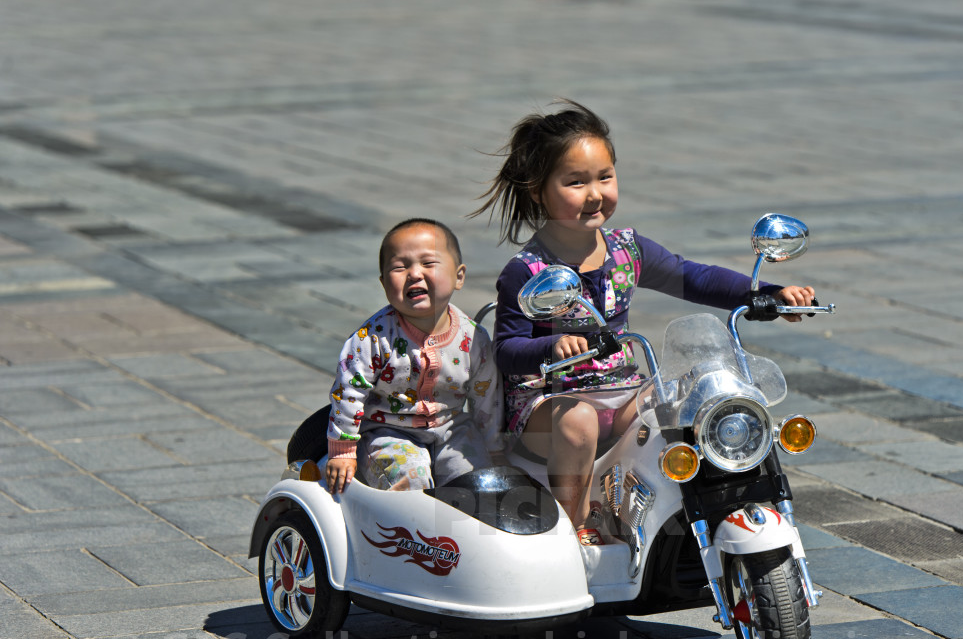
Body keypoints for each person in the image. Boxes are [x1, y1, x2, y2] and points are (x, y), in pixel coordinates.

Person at [469, 100, 816, 545]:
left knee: (693, 395)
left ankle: (692, 512)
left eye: (604, 177)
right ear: (538, 190)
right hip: (550, 405)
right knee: (579, 424)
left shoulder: (627, 250)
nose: (595, 193)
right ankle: (571, 527)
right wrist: (552, 348)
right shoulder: (527, 270)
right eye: (575, 182)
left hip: (623, 390)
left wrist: (768, 293)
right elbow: (508, 350)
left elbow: (694, 277)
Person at [324, 218, 502, 494]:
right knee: (412, 479)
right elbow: (348, 393)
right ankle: (408, 534)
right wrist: (343, 449)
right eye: (400, 267)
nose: (414, 273)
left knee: (478, 480)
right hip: (388, 432)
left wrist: (495, 450)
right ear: (384, 283)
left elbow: (487, 398)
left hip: (451, 428)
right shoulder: (372, 338)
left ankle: (460, 532)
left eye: (428, 263)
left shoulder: (473, 338)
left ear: (459, 276)